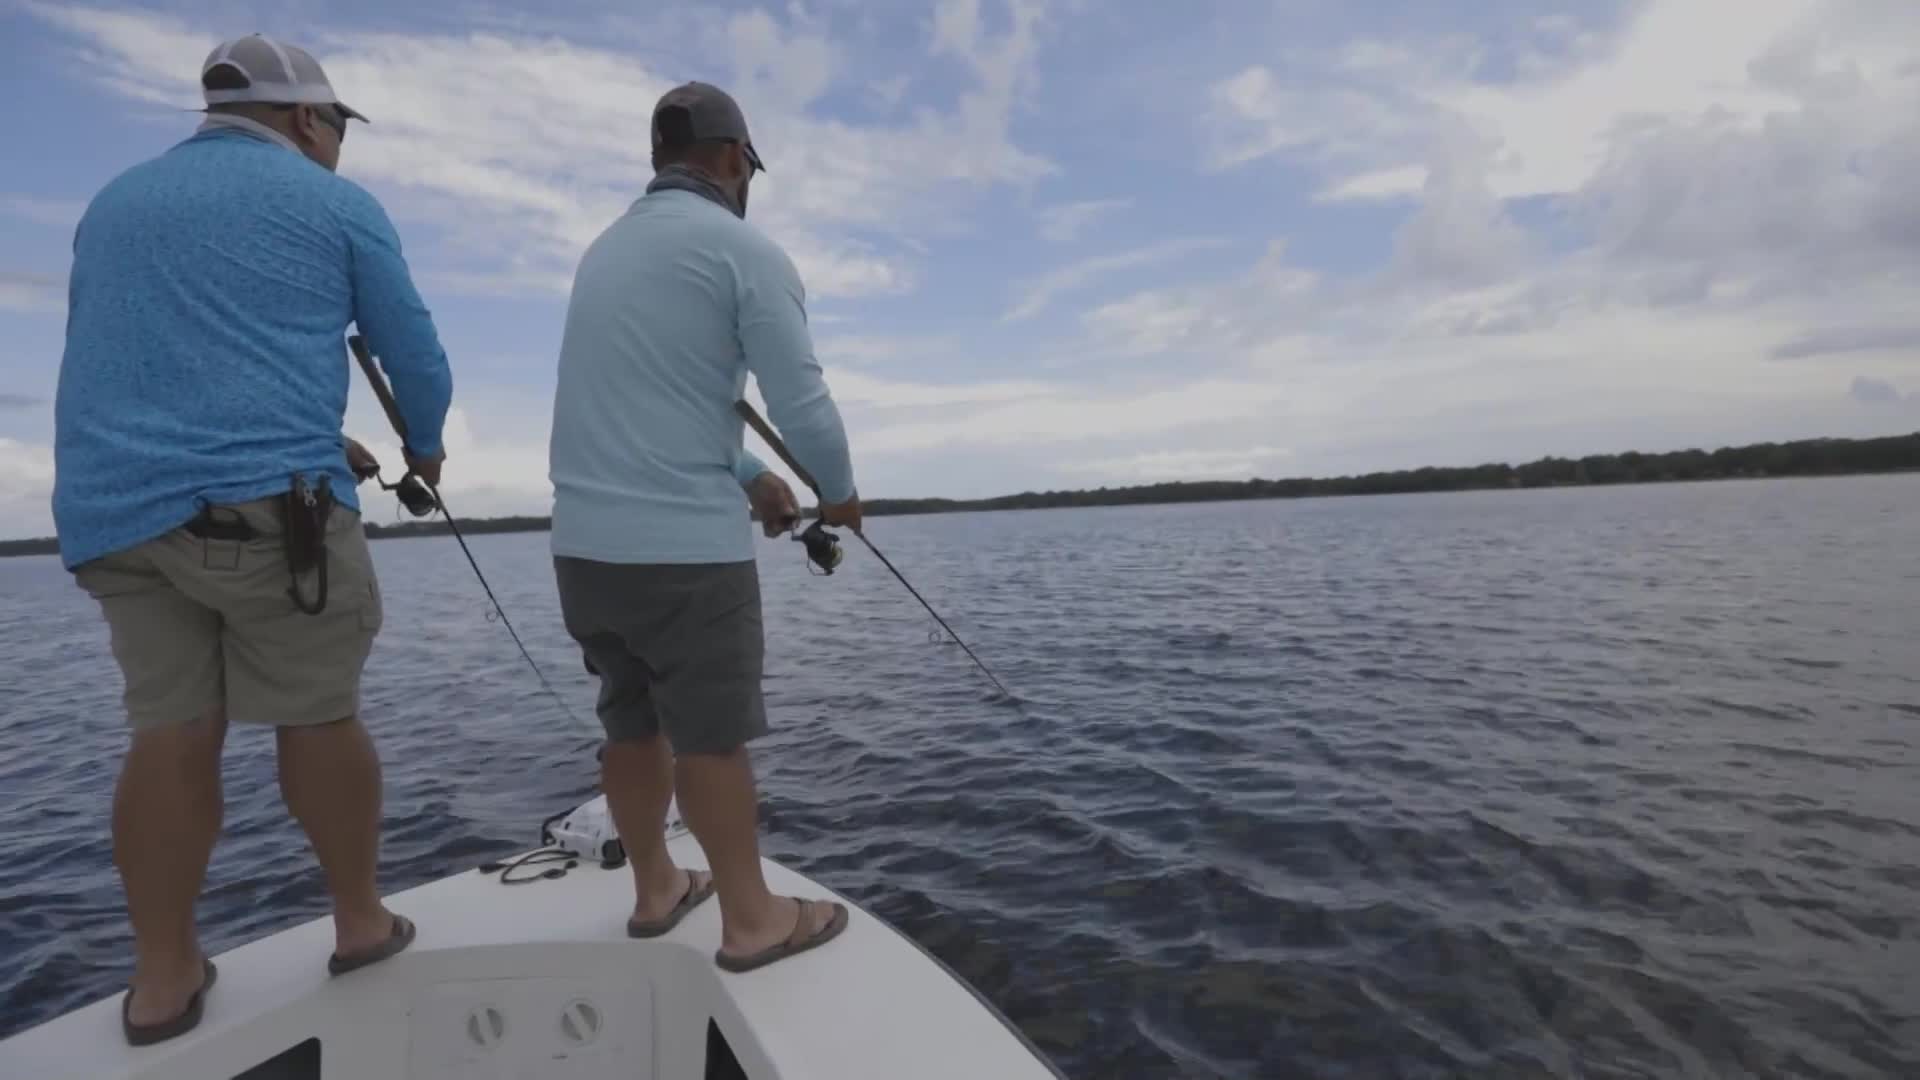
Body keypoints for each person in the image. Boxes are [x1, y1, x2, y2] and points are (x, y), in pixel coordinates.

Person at [51, 33, 453, 1045]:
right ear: (307, 120)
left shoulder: (113, 203)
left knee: (171, 730)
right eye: (335, 130)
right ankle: (361, 922)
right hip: (275, 521)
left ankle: (161, 980)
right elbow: (418, 355)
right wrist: (427, 447)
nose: (337, 150)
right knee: (316, 716)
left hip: (115, 523)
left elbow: (162, 357)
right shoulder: (335, 204)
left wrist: (326, 436)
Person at [548, 80, 861, 973]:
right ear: (733, 160)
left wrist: (753, 475)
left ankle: (656, 889)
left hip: (584, 552)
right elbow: (801, 399)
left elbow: (657, 403)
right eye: (750, 165)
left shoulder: (603, 255)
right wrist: (836, 494)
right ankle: (754, 920)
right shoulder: (744, 251)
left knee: (630, 723)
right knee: (711, 739)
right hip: (685, 558)